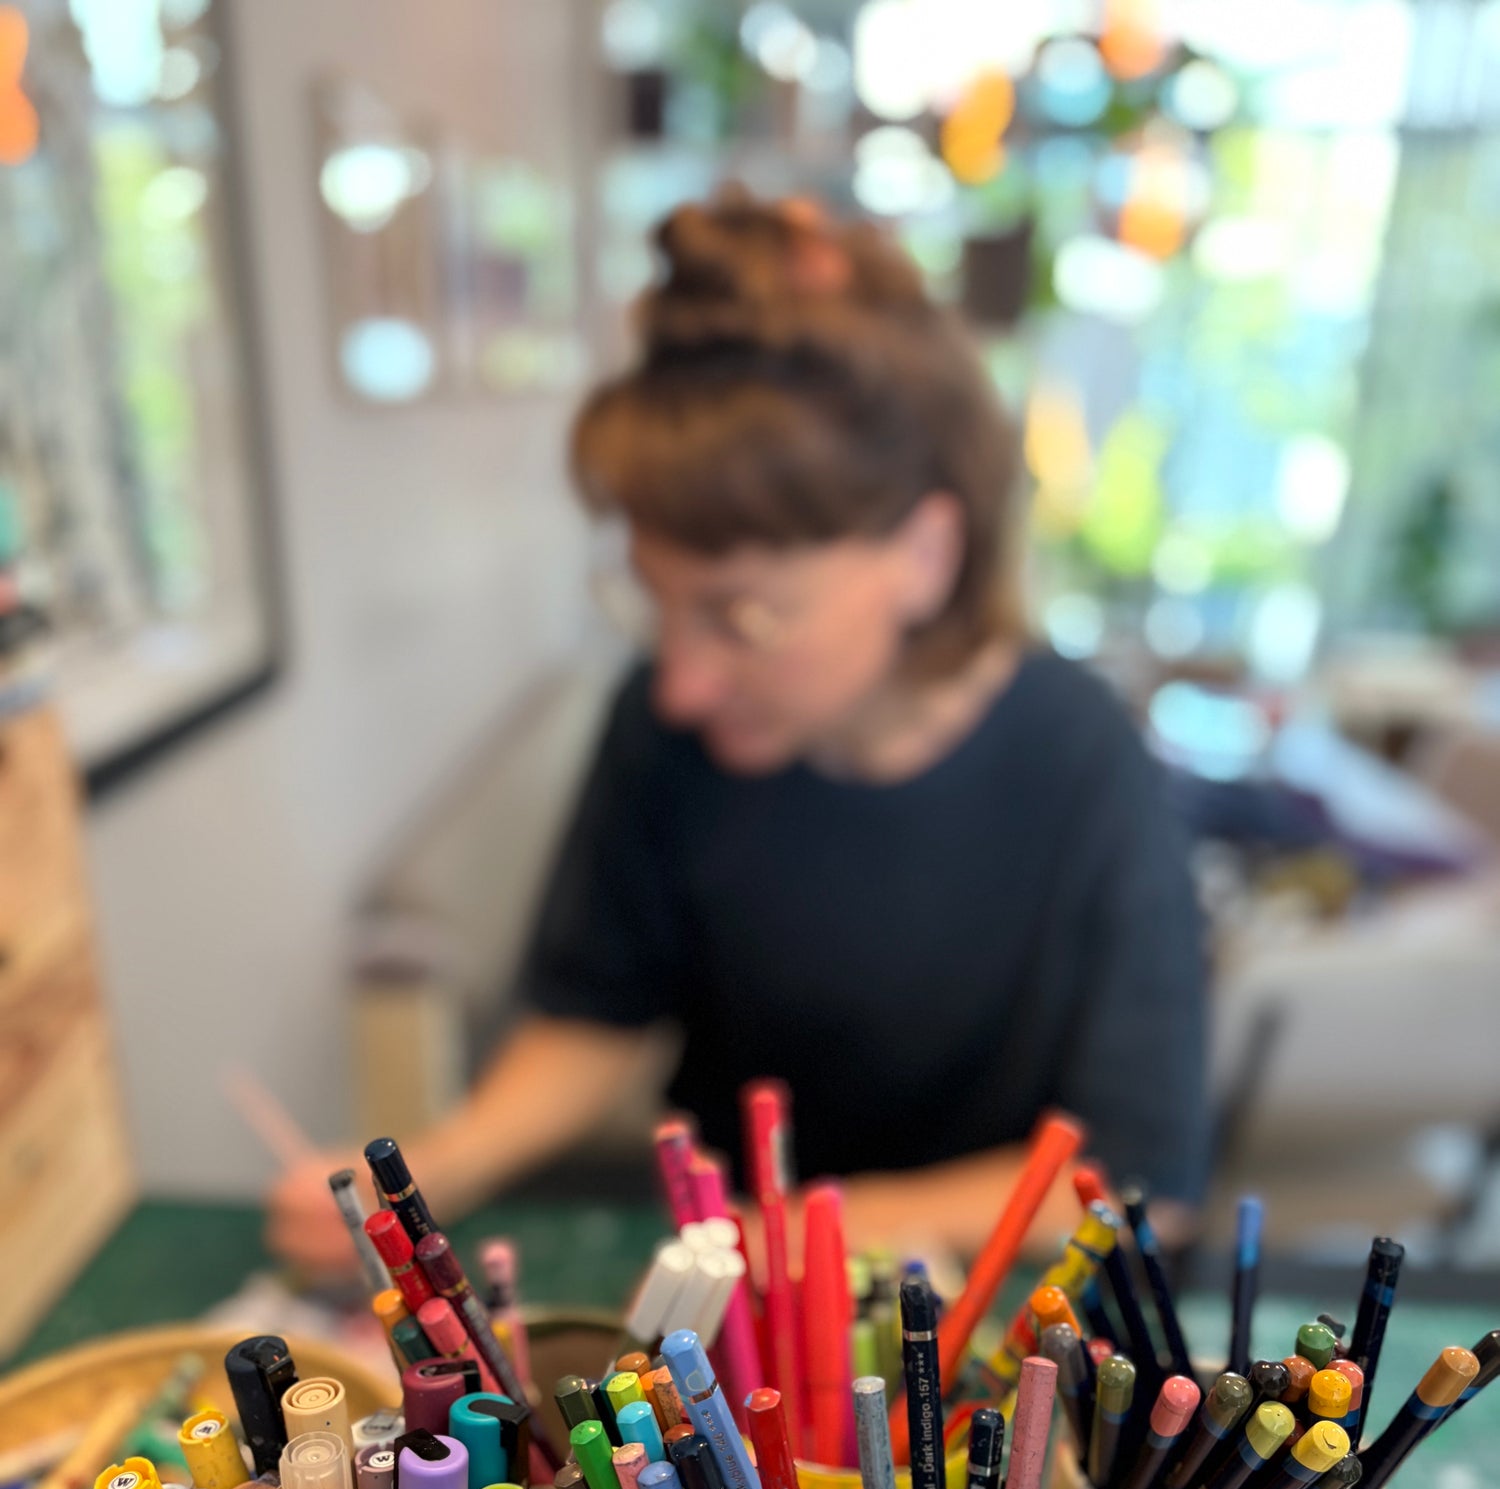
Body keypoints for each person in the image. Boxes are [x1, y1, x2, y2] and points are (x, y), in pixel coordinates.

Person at [269, 190, 1208, 1275]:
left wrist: (804, 1233)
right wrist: (438, 1168)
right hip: (736, 1290)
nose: (682, 684)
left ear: (926, 552)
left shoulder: (1082, 757)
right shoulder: (663, 730)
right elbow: (595, 1007)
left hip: (988, 1314)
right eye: (656, 604)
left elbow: (1142, 1179)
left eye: (743, 615)